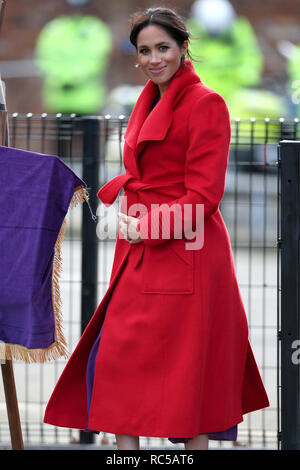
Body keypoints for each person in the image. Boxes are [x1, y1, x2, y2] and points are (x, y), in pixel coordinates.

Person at [43, 7, 270, 451]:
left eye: (163, 48)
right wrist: (125, 215)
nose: (153, 58)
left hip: (188, 252)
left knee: (188, 370)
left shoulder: (208, 104)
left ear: (184, 48)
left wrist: (140, 228)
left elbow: (204, 197)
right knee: (117, 359)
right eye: (144, 50)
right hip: (139, 246)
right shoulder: (146, 99)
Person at [35, 0, 112, 114]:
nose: (76, 10)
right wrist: (63, 79)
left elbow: (98, 59)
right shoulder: (54, 29)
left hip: (89, 100)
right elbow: (45, 58)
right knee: (62, 132)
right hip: (59, 101)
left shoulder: (95, 28)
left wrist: (73, 79)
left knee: (89, 132)